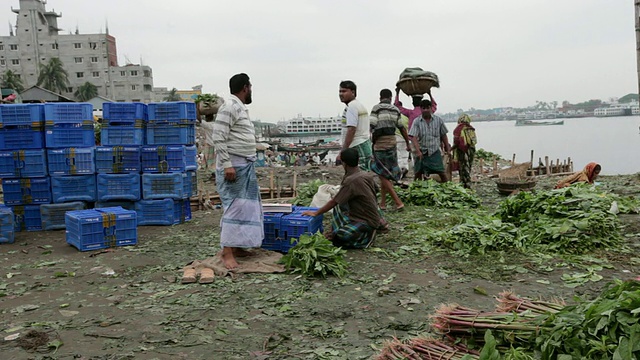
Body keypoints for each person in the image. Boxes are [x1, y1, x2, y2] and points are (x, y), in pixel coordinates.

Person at [212, 73, 263, 269]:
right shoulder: (230, 107)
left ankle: (239, 246)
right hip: (234, 166)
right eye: (250, 87)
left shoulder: (240, 108)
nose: (251, 91)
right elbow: (218, 137)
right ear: (245, 88)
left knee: (246, 207)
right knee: (234, 207)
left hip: (244, 165)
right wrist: (227, 164)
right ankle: (226, 252)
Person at [302, 148, 387, 249]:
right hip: (371, 214)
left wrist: (316, 213)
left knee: (341, 235)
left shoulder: (350, 181)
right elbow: (375, 191)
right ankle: (378, 224)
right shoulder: (366, 174)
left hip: (365, 220)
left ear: (344, 163)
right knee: (341, 204)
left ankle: (365, 238)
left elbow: (334, 202)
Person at [369, 88, 411, 211]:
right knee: (386, 173)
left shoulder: (377, 108)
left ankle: (398, 202)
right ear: (391, 98)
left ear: (380, 97)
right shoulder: (395, 109)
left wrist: (370, 139)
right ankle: (382, 204)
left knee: (381, 172)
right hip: (392, 142)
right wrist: (407, 143)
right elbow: (402, 128)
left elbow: (372, 125)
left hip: (380, 144)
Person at [409, 99, 451, 182]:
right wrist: (418, 151)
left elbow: (443, 135)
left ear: (431, 108)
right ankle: (417, 189)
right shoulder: (417, 121)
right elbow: (413, 137)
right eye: (423, 108)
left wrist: (447, 148)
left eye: (427, 108)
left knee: (441, 172)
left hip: (434, 151)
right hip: (422, 151)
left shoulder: (438, 120)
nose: (425, 110)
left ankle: (447, 187)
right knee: (418, 173)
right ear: (420, 109)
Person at [336, 80, 372, 170]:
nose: (341, 94)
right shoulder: (358, 105)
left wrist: (343, 151)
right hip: (364, 143)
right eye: (340, 91)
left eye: (344, 91)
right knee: (364, 174)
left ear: (353, 92)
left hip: (357, 144)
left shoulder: (352, 107)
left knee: (359, 174)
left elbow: (351, 129)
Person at [451, 114, 477, 189]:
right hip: (471, 150)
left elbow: (456, 142)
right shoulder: (471, 128)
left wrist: (451, 149)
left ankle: (464, 184)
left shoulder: (458, 129)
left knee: (463, 167)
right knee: (468, 166)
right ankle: (467, 183)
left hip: (462, 150)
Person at [199, 113, 217, 180]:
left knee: (210, 162)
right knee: (214, 162)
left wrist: (197, 109)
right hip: (216, 145)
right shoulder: (216, 124)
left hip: (210, 145)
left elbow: (199, 119)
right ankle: (214, 174)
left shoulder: (207, 125)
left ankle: (214, 175)